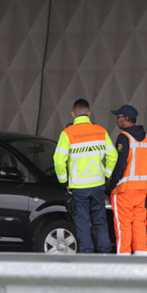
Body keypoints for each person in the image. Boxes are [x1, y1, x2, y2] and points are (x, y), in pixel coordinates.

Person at [53, 99, 118, 253]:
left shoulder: (67, 133)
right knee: (100, 222)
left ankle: (87, 256)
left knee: (82, 222)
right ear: (89, 113)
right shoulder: (100, 131)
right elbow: (113, 155)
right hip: (97, 185)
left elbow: (58, 161)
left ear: (73, 114)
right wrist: (106, 175)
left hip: (78, 188)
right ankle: (104, 253)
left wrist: (64, 182)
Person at [106, 104, 147, 256]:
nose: (116, 120)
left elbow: (121, 163)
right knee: (139, 223)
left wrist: (113, 184)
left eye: (118, 117)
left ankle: (123, 258)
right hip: (141, 188)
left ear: (125, 119)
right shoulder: (146, 137)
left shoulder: (124, 137)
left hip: (124, 189)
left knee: (122, 224)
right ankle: (141, 255)